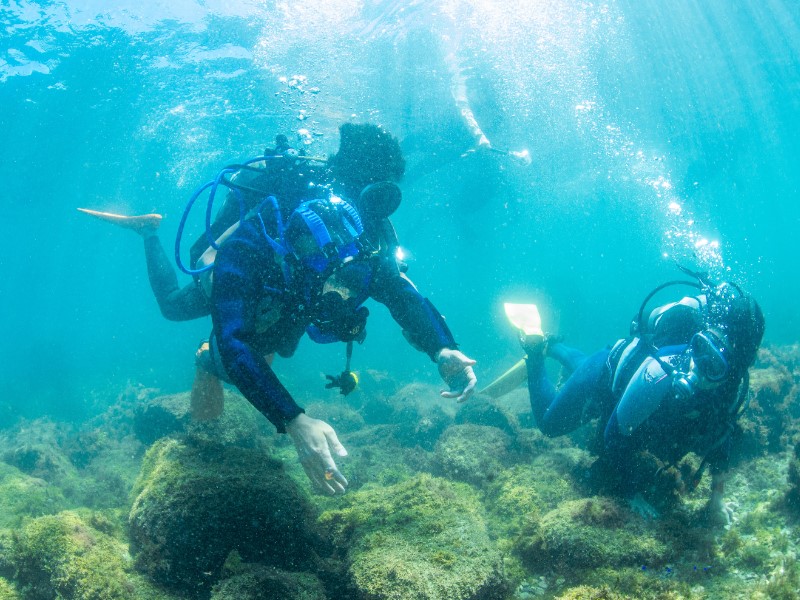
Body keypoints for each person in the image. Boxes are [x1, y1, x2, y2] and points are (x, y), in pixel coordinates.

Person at [499, 273, 764, 524]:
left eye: (715, 365)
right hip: (605, 379)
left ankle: (552, 346)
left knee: (583, 365)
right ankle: (535, 350)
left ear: (736, 370)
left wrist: (716, 501)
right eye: (699, 348)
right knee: (549, 425)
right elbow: (614, 433)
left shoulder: (732, 390)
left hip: (619, 377)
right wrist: (630, 493)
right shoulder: (662, 370)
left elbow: (722, 442)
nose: (700, 369)